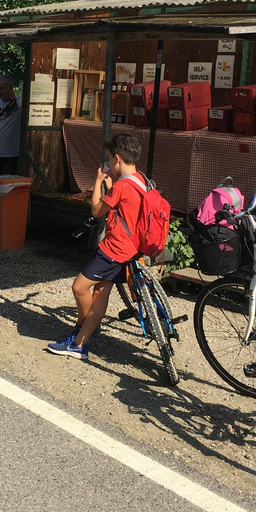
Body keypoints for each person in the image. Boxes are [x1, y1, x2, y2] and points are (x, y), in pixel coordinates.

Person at [46, 132, 145, 361]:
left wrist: (99, 181)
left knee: (79, 287)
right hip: (131, 247)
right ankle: (81, 342)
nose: (109, 163)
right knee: (101, 292)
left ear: (117, 159)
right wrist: (112, 185)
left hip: (114, 249)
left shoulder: (121, 187)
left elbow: (97, 210)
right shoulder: (140, 180)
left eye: (110, 158)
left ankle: (82, 329)